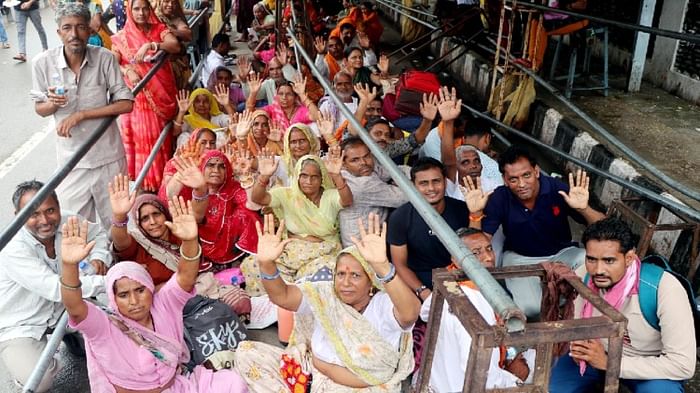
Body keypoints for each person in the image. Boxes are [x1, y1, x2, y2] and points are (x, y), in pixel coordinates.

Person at [59, 197, 249, 392]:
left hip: (178, 387)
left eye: (140, 290)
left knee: (234, 383)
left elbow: (185, 275)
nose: (134, 301)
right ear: (113, 298)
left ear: (150, 288)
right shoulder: (104, 326)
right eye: (123, 295)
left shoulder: (164, 304)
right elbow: (75, 307)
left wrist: (190, 240)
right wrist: (68, 265)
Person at [234, 213, 419, 391]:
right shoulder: (324, 294)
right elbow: (282, 296)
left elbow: (411, 313)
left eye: (355, 275)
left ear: (370, 280)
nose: (346, 282)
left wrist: (382, 267)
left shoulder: (382, 305)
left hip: (356, 389)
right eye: (341, 274)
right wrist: (267, 264)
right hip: (309, 374)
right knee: (246, 352)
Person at [549, 217, 696, 393]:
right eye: (591, 259)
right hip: (594, 354)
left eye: (609, 260)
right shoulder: (583, 275)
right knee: (554, 388)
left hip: (646, 364)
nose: (598, 270)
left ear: (629, 258)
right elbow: (574, 323)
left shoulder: (664, 289)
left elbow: (682, 364)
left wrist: (609, 363)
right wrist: (577, 343)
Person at [465, 146, 605, 317]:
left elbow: (604, 228)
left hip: (562, 254)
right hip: (519, 258)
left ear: (536, 171)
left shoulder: (556, 188)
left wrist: (584, 209)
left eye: (526, 175)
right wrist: (475, 215)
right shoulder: (500, 197)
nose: (522, 184)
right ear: (505, 180)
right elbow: (480, 241)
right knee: (530, 309)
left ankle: (562, 303)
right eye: (514, 179)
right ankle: (556, 300)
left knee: (591, 262)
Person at [0, 180, 110, 392]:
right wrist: (109, 281)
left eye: (50, 210)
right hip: (23, 322)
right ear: (18, 216)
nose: (44, 220)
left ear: (59, 207)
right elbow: (55, 288)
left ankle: (73, 337)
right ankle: (34, 360)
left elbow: (98, 235)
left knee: (116, 332)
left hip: (66, 307)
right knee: (39, 381)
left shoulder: (69, 220)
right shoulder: (12, 248)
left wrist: (99, 258)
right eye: (33, 214)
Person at [32, 2, 134, 229]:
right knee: (76, 227)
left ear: (89, 30)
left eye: (80, 27)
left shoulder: (105, 58)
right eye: (67, 28)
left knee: (115, 224)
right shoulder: (43, 63)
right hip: (71, 162)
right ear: (59, 32)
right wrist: (52, 104)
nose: (74, 34)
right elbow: (39, 108)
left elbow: (126, 103)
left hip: (109, 158)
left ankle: (118, 265)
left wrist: (82, 114)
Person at [420, 227, 534, 391]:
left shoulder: (449, 283)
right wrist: (515, 380)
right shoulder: (476, 304)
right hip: (463, 386)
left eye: (489, 249)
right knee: (534, 365)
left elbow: (424, 313)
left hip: (437, 381)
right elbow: (479, 373)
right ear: (457, 260)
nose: (488, 257)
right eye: (476, 253)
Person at [244, 147, 352, 295]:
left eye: (315, 177)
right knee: (253, 264)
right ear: (296, 176)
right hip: (291, 253)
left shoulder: (329, 196)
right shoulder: (286, 195)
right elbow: (258, 198)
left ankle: (296, 298)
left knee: (326, 270)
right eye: (304, 175)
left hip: (323, 253)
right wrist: (264, 176)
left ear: (322, 179)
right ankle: (275, 307)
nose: (309, 181)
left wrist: (336, 176)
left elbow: (347, 201)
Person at [112, 0, 181, 192]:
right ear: (129, 10)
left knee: (161, 137)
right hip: (140, 100)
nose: (141, 13)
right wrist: (127, 71)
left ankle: (164, 182)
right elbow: (113, 64)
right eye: (136, 9)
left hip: (161, 95)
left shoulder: (159, 28)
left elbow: (174, 45)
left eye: (144, 8)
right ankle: (147, 185)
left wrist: (152, 45)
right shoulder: (121, 38)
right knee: (143, 139)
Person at [388, 157, 469, 301]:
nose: (431, 188)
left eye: (436, 181)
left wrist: (476, 214)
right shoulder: (400, 217)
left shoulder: (462, 209)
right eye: (424, 183)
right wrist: (422, 291)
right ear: (413, 186)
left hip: (458, 276)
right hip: (419, 280)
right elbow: (399, 264)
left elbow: (474, 250)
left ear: (445, 182)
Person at [171, 150, 261, 267]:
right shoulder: (190, 187)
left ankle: (247, 257)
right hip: (196, 242)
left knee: (246, 213)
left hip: (229, 244)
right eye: (211, 165)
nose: (216, 170)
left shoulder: (232, 188)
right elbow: (169, 196)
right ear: (202, 168)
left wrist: (245, 176)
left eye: (221, 167)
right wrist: (179, 178)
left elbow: (253, 206)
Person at [110, 174, 185, 286]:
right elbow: (120, 242)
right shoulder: (138, 242)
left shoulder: (179, 233)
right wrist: (119, 216)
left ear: (165, 214)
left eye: (156, 214)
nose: (153, 222)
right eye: (145, 218)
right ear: (138, 224)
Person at [339, 137, 408, 247]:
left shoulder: (364, 168)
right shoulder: (361, 185)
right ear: (343, 164)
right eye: (354, 160)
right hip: (362, 248)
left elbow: (394, 170)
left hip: (375, 236)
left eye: (366, 156)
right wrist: (410, 179)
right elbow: (405, 198)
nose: (363, 162)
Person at [246, 72, 321, 131]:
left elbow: (318, 117)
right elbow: (249, 114)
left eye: (289, 94)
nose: (284, 97)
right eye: (281, 94)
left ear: (295, 97)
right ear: (276, 95)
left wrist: (302, 95)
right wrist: (253, 93)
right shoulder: (272, 110)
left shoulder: (300, 111)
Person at [154, 0, 192, 90]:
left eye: (174, 2)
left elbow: (188, 34)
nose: (170, 5)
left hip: (178, 68)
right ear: (160, 2)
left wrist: (168, 30)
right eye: (166, 1)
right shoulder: (154, 19)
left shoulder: (174, 19)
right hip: (162, 69)